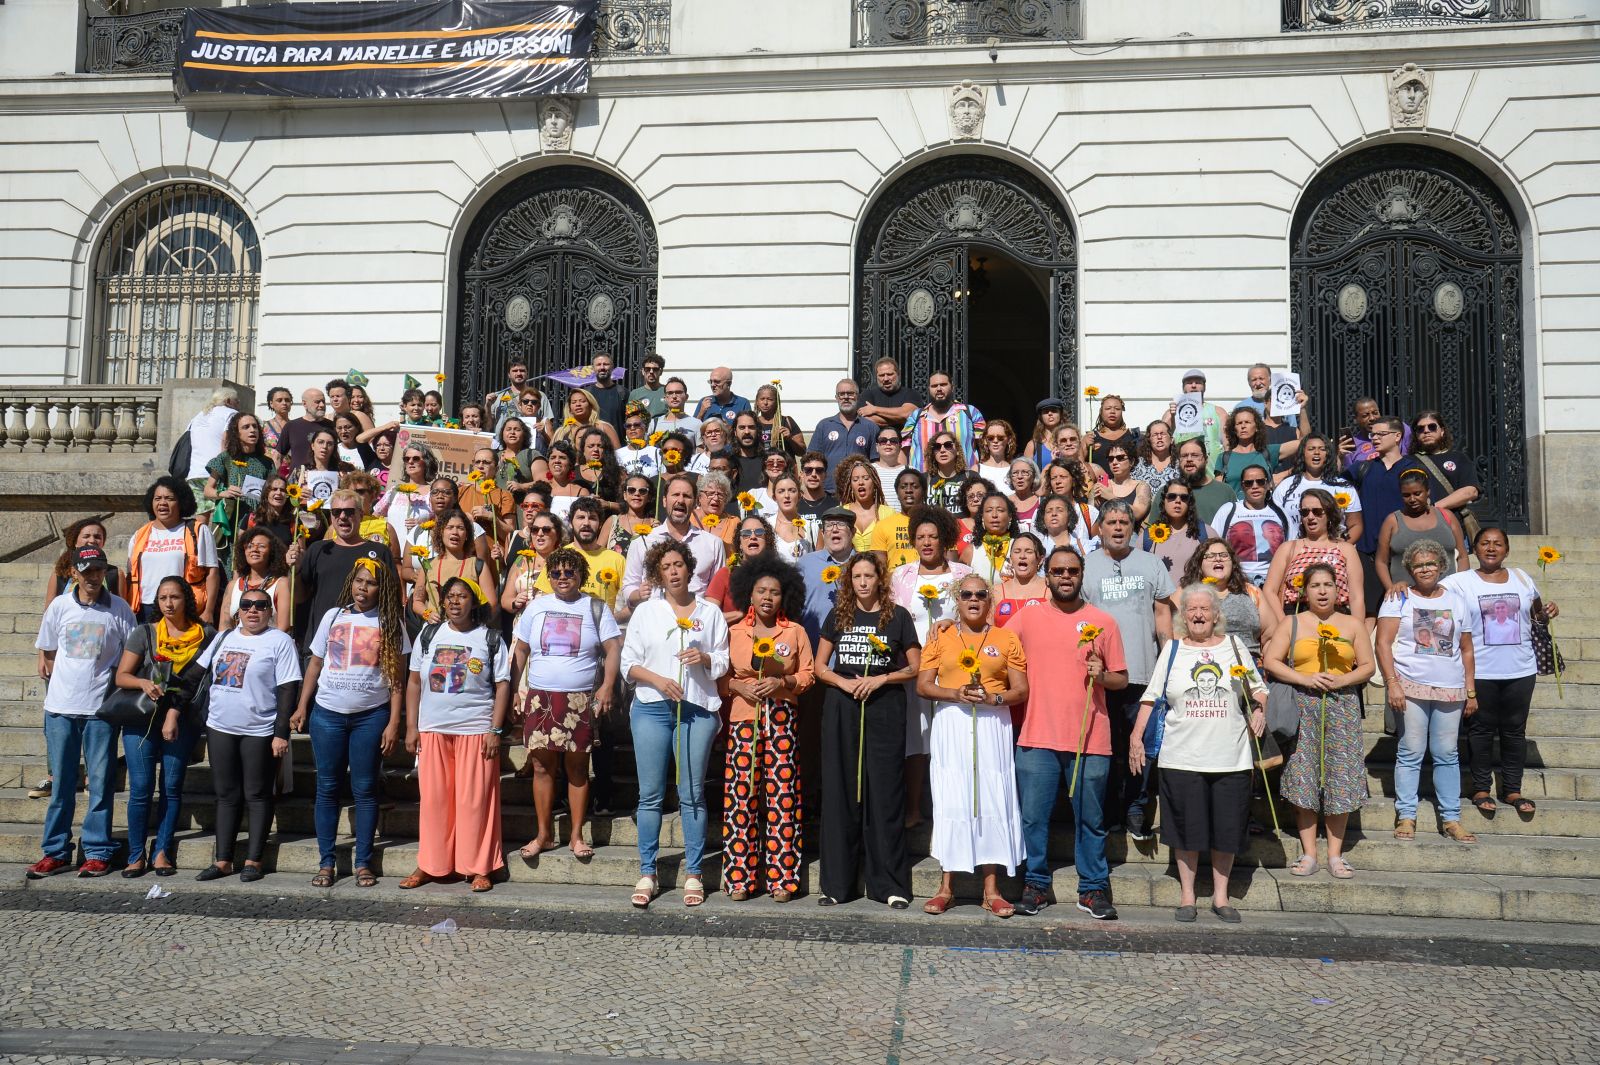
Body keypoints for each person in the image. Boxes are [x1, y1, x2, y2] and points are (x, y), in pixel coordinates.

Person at [1130, 582, 1267, 923]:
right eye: (1192, 609)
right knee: (1186, 828)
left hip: (1230, 756)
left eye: (1205, 609)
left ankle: (1221, 897)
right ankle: (1187, 896)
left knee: (1226, 828)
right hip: (1182, 756)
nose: (1198, 614)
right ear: (1183, 616)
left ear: (1217, 615)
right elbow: (1151, 697)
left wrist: (1259, 709)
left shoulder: (1235, 647)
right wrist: (1136, 737)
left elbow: (1258, 688)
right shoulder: (1173, 650)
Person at [1009, 546, 1130, 919]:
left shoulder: (1103, 622)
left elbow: (1121, 680)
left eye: (1072, 571)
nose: (1065, 576)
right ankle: (1036, 884)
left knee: (1091, 820)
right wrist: (950, 624)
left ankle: (1092, 889)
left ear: (1081, 575)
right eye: (1059, 570)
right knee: (1033, 818)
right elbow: (991, 644)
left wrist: (1102, 674)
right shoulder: (1028, 619)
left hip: (1089, 738)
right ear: (1048, 575)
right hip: (1036, 736)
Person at [620, 540, 730, 908]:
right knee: (650, 795)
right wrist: (658, 679)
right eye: (666, 566)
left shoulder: (710, 613)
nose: (674, 571)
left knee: (692, 793)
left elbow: (723, 662)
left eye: (679, 564)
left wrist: (705, 657)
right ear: (658, 573)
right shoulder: (646, 613)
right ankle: (648, 871)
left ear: (689, 568)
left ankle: (695, 872)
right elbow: (628, 665)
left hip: (696, 710)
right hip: (652, 707)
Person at [814, 551, 922, 907]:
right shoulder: (839, 615)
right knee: (841, 790)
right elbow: (820, 666)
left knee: (885, 791)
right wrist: (845, 685)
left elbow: (913, 668)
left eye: (869, 576)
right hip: (844, 706)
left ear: (880, 580)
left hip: (884, 705)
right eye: (857, 576)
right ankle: (836, 885)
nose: (863, 582)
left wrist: (881, 680)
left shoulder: (899, 617)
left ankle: (888, 885)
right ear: (850, 581)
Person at [917, 574, 1029, 917]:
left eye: (981, 594)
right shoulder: (943, 634)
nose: (974, 599)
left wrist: (996, 696)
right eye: (966, 594)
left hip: (993, 721)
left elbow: (1021, 690)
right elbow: (923, 685)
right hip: (952, 720)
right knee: (953, 799)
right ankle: (946, 887)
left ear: (989, 600)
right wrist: (954, 693)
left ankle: (991, 890)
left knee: (992, 798)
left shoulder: (1005, 638)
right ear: (957, 599)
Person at [292, 557, 408, 887]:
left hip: (370, 717)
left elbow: (396, 678)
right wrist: (302, 706)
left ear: (380, 588)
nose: (363, 588)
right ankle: (326, 862)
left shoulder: (390, 622)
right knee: (327, 787)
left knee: (365, 789)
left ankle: (363, 863)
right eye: (359, 581)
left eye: (370, 583)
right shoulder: (333, 616)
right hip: (327, 713)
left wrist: (393, 723)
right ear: (351, 583)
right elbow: (315, 665)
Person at [24, 547, 136, 880]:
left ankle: (98, 851)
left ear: (105, 571)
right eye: (86, 570)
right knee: (62, 786)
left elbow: (130, 654)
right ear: (74, 572)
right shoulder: (59, 606)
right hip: (60, 709)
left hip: (100, 711)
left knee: (100, 784)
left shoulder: (119, 609)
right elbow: (50, 651)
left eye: (99, 570)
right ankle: (55, 851)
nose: (92, 577)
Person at [1262, 562, 1375, 879]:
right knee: (1304, 774)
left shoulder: (1352, 624)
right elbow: (1271, 661)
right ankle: (1309, 852)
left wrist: (1341, 681)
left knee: (1339, 774)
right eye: (1315, 586)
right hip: (1303, 703)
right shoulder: (1292, 623)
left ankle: (1335, 854)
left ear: (1338, 590)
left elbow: (1367, 665)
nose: (1322, 591)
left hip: (1342, 704)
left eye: (1328, 585)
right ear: (1304, 591)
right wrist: (1304, 677)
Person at [400, 577, 512, 893]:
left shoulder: (489, 638)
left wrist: (495, 729)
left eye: (462, 596)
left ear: (473, 603)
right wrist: (412, 727)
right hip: (433, 729)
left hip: (475, 730)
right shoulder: (429, 633)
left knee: (474, 802)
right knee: (434, 801)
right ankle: (431, 864)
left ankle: (479, 867)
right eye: (450, 596)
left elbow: (502, 685)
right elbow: (413, 682)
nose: (455, 602)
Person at [512, 546, 622, 861]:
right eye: (557, 572)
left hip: (579, 699)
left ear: (580, 574)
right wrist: (516, 692)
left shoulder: (595, 606)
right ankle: (544, 835)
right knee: (542, 766)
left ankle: (576, 835)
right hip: (540, 696)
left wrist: (608, 686)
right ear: (549, 576)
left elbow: (613, 648)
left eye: (569, 571)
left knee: (576, 768)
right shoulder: (536, 606)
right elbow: (521, 651)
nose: (563, 577)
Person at [720, 554, 815, 901]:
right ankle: (740, 879)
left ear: (783, 596)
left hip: (780, 720)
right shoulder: (734, 633)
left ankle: (782, 879)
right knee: (740, 799)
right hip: (744, 720)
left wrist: (783, 682)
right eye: (761, 590)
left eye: (774, 592)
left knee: (782, 798)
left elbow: (808, 674)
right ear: (749, 593)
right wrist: (737, 687)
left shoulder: (795, 631)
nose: (767, 598)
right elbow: (721, 678)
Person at [1443, 527, 1555, 819]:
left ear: (1507, 550)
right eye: (1484, 543)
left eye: (1497, 544)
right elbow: (1430, 598)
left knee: (1515, 730)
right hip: (1479, 670)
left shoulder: (1522, 577)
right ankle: (1481, 789)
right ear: (1475, 549)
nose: (1491, 548)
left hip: (1520, 668)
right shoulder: (1458, 582)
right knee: (1479, 730)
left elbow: (1535, 614)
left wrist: (1546, 614)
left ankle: (1512, 789)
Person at [1081, 501, 1177, 839]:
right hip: (1101, 677)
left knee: (1142, 747)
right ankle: (1108, 811)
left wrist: (1169, 660)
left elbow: (1163, 617)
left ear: (1133, 527)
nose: (1118, 527)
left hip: (1143, 673)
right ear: (1100, 528)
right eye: (1111, 522)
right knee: (1103, 748)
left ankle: (1136, 808)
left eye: (1124, 521)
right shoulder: (1086, 566)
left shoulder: (1151, 564)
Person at [194, 583, 302, 883]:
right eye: (246, 605)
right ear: (237, 610)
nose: (253, 610)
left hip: (260, 728)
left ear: (270, 611)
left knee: (257, 794)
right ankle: (223, 859)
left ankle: (254, 859)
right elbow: (196, 674)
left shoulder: (279, 641)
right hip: (220, 726)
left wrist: (282, 733)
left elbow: (287, 689)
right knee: (226, 795)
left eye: (260, 605)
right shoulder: (223, 637)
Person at [112, 576, 216, 878]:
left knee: (171, 787)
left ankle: (162, 852)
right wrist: (143, 682)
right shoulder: (145, 633)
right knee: (141, 789)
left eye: (175, 597)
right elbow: (121, 676)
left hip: (182, 719)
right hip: (141, 720)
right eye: (162, 598)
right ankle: (135, 855)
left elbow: (200, 682)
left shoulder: (205, 635)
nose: (169, 604)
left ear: (187, 599)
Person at [1377, 539, 1479, 845]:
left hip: (1450, 687)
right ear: (1409, 568)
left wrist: (1470, 691)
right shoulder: (1398, 598)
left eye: (1431, 563)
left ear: (1441, 566)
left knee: (1447, 753)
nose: (1425, 569)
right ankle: (1406, 815)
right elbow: (1383, 644)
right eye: (1419, 565)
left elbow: (1467, 649)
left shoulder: (1457, 600)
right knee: (1410, 751)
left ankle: (1451, 818)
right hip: (1409, 685)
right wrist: (1392, 682)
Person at [890, 506, 972, 828]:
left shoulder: (963, 576)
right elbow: (893, 620)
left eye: (933, 537)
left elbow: (981, 615)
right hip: (915, 671)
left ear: (944, 540)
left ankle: (951, 811)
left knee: (952, 741)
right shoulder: (901, 576)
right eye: (920, 537)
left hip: (954, 671)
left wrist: (955, 620)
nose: (926, 542)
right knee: (917, 741)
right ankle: (913, 809)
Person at [287, 489, 398, 649]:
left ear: (360, 514)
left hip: (365, 644)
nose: (343, 517)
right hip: (321, 644)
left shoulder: (380, 551)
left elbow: (391, 600)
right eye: (336, 512)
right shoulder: (318, 549)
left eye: (349, 512)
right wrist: (295, 570)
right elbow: (299, 597)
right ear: (331, 516)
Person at [126, 476, 221, 625]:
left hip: (184, 608)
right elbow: (130, 574)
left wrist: (208, 611)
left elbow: (212, 573)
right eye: (157, 498)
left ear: (181, 502)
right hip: (144, 609)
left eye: (169, 498)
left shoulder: (198, 531)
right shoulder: (139, 535)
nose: (162, 503)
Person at [620, 475, 728, 606]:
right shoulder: (642, 541)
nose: (681, 500)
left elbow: (718, 592)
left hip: (697, 620)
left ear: (695, 503)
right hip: (655, 618)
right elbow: (629, 586)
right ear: (664, 501)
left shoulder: (713, 544)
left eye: (687, 496)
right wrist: (638, 594)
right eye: (675, 494)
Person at [1261, 488, 1364, 623]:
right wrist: (1285, 625)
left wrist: (1357, 631)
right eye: (1305, 512)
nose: (1310, 517)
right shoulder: (1288, 548)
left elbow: (1356, 597)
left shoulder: (1346, 549)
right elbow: (1269, 590)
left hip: (1338, 617)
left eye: (1317, 511)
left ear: (1329, 514)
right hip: (1297, 616)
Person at [1351, 416, 1417, 611]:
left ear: (1398, 436)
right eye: (1373, 434)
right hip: (1367, 552)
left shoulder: (1413, 467)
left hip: (1403, 553)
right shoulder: (1364, 467)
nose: (1375, 438)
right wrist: (1339, 457)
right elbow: (1334, 485)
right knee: (1369, 611)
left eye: (1381, 434)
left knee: (1404, 609)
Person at [201, 410, 274, 572]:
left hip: (258, 521)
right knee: (233, 567)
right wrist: (223, 493)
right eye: (246, 427)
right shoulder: (225, 458)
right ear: (237, 433)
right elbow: (207, 490)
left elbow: (272, 491)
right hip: (232, 522)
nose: (252, 430)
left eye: (255, 427)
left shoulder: (267, 462)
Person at [1377, 469, 1470, 593]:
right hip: (1406, 596)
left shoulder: (1446, 516)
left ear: (1428, 492)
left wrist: (1458, 586)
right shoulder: (1392, 521)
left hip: (1447, 596)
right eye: (1406, 495)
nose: (1412, 499)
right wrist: (1391, 589)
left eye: (1417, 493)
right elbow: (1381, 561)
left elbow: (1463, 557)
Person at [1183, 538, 1275, 661]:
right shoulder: (1188, 593)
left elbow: (1270, 634)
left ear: (1233, 563)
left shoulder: (1251, 591)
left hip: (1248, 664)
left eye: (1224, 555)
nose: (1218, 559)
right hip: (1205, 665)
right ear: (1199, 564)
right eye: (1210, 556)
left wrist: (1267, 663)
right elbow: (1177, 633)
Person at [533, 498, 626, 610]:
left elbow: (627, 604)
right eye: (581, 517)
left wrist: (610, 621)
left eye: (592, 518)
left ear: (600, 524)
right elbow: (543, 599)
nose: (586, 523)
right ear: (571, 523)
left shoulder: (617, 560)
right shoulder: (558, 557)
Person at [411, 509, 498, 627]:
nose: (455, 532)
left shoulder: (477, 565)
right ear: (440, 533)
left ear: (467, 535)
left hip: (468, 631)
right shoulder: (428, 565)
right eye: (449, 527)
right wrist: (427, 614)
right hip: (435, 630)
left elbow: (491, 603)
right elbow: (417, 602)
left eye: (460, 528)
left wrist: (472, 622)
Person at [1209, 466, 1292, 588]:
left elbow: (1291, 547)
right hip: (1237, 582)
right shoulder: (1228, 510)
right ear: (1242, 486)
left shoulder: (1281, 512)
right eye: (1249, 483)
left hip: (1274, 583)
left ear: (1268, 484)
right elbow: (1213, 546)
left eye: (1260, 481)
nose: (1255, 486)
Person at [1272, 434, 1363, 543]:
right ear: (1303, 454)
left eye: (1322, 449)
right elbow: (1274, 524)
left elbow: (1355, 525)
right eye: (1311, 449)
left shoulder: (1344, 487)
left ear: (1328, 454)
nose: (1316, 452)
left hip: (1333, 554)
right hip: (1296, 552)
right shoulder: (1285, 486)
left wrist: (1341, 546)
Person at [1407, 410, 1481, 531]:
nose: (1426, 431)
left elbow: (1471, 491)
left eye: (1432, 427)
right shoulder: (1408, 461)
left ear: (1442, 431)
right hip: (1417, 527)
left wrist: (1433, 508)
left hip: (1453, 527)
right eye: (1420, 429)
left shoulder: (1459, 458)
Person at [903, 371, 985, 470]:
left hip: (964, 480)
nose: (939, 389)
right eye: (934, 386)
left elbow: (984, 446)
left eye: (943, 385)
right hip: (924, 481)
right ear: (929, 389)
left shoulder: (971, 412)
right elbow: (904, 449)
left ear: (952, 387)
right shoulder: (916, 416)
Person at [219, 527, 292, 633]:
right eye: (249, 546)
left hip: (268, 646)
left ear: (272, 552)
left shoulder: (281, 584)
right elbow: (224, 625)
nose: (254, 550)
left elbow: (283, 627)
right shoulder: (232, 586)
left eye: (261, 546)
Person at [44, 518, 122, 610]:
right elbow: (49, 611)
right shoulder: (60, 573)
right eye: (86, 536)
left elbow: (121, 609)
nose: (92, 540)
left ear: (103, 542)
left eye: (97, 537)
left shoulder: (115, 574)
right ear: (75, 542)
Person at [1216, 407, 1299, 493]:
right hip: (1235, 505)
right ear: (1234, 429)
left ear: (1257, 427)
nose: (1243, 426)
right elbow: (1219, 492)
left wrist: (1303, 409)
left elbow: (1305, 442)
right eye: (1239, 423)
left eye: (1247, 422)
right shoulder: (1224, 458)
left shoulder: (1268, 452)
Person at [1141, 478, 1213, 577]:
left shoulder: (1205, 533)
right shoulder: (1148, 536)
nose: (1178, 501)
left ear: (1189, 503)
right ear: (1164, 501)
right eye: (1172, 496)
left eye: (1184, 497)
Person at [182, 387, 242, 501]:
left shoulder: (198, 415)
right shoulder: (231, 413)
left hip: (195, 473)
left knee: (201, 516)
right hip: (215, 472)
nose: (239, 404)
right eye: (237, 401)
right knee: (219, 514)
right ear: (228, 401)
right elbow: (226, 441)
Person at [811, 378, 875, 481]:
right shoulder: (824, 426)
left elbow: (875, 463)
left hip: (859, 489)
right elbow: (812, 458)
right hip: (829, 489)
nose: (846, 397)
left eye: (850, 393)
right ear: (836, 397)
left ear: (857, 396)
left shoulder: (870, 427)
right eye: (841, 394)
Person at [959, 491, 1020, 585]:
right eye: (989, 510)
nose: (994, 515)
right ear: (982, 517)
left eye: (1000, 510)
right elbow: (959, 587)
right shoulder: (971, 551)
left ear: (1010, 516)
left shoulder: (1019, 547)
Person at [1165, 368, 1228, 459]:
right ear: (1183, 388)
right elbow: (1163, 440)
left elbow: (1228, 444)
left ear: (1204, 387)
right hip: (1181, 469)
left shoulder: (1218, 412)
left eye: (1198, 382)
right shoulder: (1171, 412)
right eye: (1189, 383)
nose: (1194, 386)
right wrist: (1172, 417)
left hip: (1212, 471)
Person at [1339, 396, 1412, 471]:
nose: (1372, 418)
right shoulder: (1351, 445)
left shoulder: (1398, 428)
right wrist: (1340, 458)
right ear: (1356, 419)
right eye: (1365, 415)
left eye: (1375, 413)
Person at [1176, 438, 1235, 527]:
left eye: (1195, 455)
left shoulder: (1225, 492)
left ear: (1206, 460)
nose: (1189, 459)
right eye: (1184, 456)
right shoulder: (1168, 493)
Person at [994, 532, 1049, 628]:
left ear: (1040, 560)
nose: (1022, 556)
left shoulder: (1050, 589)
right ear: (1011, 559)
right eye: (1017, 551)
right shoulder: (996, 591)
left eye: (1029, 551)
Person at [870, 469, 923, 568]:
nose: (908, 490)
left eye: (915, 486)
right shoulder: (882, 526)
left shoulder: (938, 523)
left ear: (924, 492)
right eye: (903, 487)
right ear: (897, 494)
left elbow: (951, 565)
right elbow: (879, 570)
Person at [859, 356, 923, 431]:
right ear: (876, 376)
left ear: (898, 374)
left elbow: (908, 414)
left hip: (904, 441)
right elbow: (866, 419)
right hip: (876, 441)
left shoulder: (911, 394)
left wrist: (874, 409)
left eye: (889, 374)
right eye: (881, 375)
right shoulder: (867, 394)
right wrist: (900, 419)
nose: (886, 379)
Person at [602, 474, 656, 559]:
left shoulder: (655, 525)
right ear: (625, 495)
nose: (637, 494)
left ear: (649, 497)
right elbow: (598, 554)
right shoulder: (612, 522)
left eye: (642, 491)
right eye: (631, 490)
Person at [1095, 442, 1151, 525]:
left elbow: (1137, 514)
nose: (1114, 462)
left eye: (1120, 458)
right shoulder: (1103, 481)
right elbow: (1092, 513)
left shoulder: (1141, 486)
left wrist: (1111, 498)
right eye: (1110, 459)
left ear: (1131, 461)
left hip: (1130, 534)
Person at [280, 387, 332, 473]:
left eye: (323, 401)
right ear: (304, 404)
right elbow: (278, 456)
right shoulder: (291, 426)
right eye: (317, 402)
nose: (322, 405)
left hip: (326, 480)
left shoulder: (332, 426)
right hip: (297, 483)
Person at [1088, 394, 1140, 468]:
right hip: (1102, 479)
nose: (1112, 411)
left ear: (1122, 412)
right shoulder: (1091, 437)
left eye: (1117, 408)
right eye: (1108, 408)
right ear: (1101, 412)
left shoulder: (1134, 435)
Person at [752, 381, 803, 456]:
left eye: (770, 399)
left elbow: (802, 452)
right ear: (757, 401)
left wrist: (790, 439)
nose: (765, 402)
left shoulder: (786, 421)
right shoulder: (752, 422)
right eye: (762, 399)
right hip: (760, 466)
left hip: (785, 466)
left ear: (776, 402)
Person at [923, 431, 968, 515]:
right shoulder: (923, 480)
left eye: (948, 445)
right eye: (937, 447)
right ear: (933, 453)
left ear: (957, 450)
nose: (942, 450)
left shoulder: (970, 477)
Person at [495, 417, 545, 492]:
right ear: (502, 434)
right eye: (508, 429)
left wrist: (522, 486)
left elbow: (544, 482)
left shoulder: (532, 455)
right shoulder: (495, 456)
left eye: (517, 430)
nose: (512, 432)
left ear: (524, 434)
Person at [1131, 419, 1179, 493]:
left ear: (1171, 439)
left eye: (1163, 434)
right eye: (1155, 435)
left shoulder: (1181, 465)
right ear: (1149, 441)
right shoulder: (1136, 464)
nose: (1159, 437)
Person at [586, 353, 628, 434]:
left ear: (612, 367)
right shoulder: (587, 394)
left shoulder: (623, 393)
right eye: (598, 364)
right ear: (593, 368)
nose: (602, 367)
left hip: (618, 445)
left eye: (605, 364)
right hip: (593, 444)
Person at [871, 425, 909, 509]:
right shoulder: (868, 471)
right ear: (877, 447)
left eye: (893, 441)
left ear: (899, 447)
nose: (888, 443)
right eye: (883, 441)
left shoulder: (910, 471)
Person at [975, 420, 1017, 492]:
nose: (995, 441)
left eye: (1000, 438)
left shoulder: (1015, 469)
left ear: (1009, 440)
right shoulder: (977, 470)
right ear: (985, 440)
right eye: (990, 438)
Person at [1022, 397, 1066, 466]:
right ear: (1041, 417)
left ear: (1060, 414)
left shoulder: (1070, 442)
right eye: (1046, 412)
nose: (1050, 413)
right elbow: (1025, 471)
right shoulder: (1033, 445)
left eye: (1054, 410)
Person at [261, 386, 293, 469]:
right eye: (279, 400)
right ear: (271, 403)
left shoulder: (296, 426)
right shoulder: (263, 426)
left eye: (287, 400)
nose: (284, 403)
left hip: (291, 472)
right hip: (270, 469)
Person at [629, 351, 668, 417]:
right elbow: (630, 418)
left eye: (655, 369)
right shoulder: (635, 394)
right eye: (647, 369)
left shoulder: (668, 391)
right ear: (643, 371)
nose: (651, 372)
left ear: (660, 372)